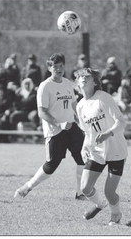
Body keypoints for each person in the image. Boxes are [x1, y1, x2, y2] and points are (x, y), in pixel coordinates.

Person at [14, 53, 85, 200]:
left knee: (83, 157)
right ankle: (27, 187)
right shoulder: (45, 86)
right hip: (55, 131)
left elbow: (73, 105)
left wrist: (81, 120)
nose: (58, 69)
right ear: (49, 67)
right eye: (55, 66)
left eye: (61, 66)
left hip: (72, 128)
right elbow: (42, 112)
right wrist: (59, 123)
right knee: (51, 165)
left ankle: (81, 193)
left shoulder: (67, 83)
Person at [75, 68, 127, 225]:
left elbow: (121, 121)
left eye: (87, 76)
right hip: (97, 151)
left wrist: (107, 134)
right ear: (77, 82)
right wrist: (84, 148)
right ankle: (99, 204)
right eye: (80, 77)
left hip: (116, 150)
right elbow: (87, 132)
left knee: (109, 192)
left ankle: (116, 215)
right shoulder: (80, 106)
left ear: (95, 81)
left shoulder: (103, 98)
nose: (83, 78)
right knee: (85, 187)